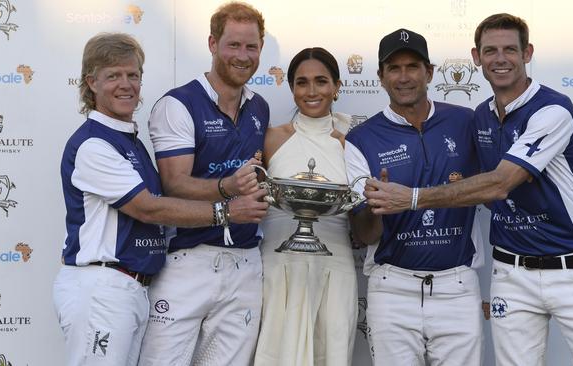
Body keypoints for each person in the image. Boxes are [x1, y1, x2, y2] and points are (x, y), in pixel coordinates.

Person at [363, 14, 573, 366]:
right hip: (511, 275)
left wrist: (412, 198)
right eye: (490, 51)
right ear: (476, 57)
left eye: (509, 50)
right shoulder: (480, 117)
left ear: (527, 53)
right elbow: (470, 175)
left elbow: (500, 183)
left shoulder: (552, 109)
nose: (499, 59)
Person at [53, 32, 268, 366]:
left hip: (132, 288)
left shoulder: (129, 140)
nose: (126, 84)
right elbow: (147, 208)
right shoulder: (94, 144)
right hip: (103, 287)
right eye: (113, 76)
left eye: (132, 75)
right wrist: (226, 211)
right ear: (91, 82)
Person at [137, 2, 270, 365]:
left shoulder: (260, 107)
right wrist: (229, 188)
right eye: (233, 45)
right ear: (213, 44)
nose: (243, 56)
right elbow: (174, 183)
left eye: (251, 47)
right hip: (188, 259)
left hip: (245, 263)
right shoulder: (178, 104)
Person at [344, 29, 483, 366]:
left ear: (430, 72)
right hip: (392, 287)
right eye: (394, 68)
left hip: (458, 285)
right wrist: (377, 206)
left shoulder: (467, 122)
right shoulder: (361, 139)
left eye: (412, 66)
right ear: (380, 76)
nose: (403, 77)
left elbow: (496, 185)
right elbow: (364, 235)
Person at [254, 47, 357, 366]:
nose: (311, 91)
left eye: (321, 81)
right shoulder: (270, 139)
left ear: (337, 86)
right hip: (278, 263)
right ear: (291, 87)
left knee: (331, 350)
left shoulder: (350, 143)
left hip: (334, 263)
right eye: (302, 82)